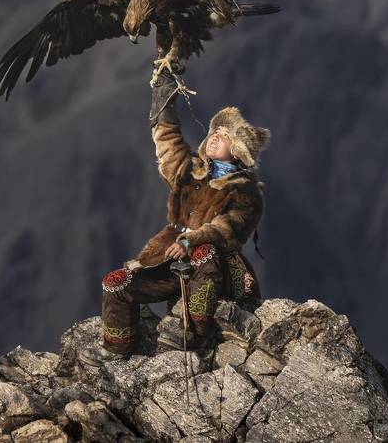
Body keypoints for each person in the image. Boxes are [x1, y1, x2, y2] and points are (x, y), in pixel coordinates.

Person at [80, 72, 271, 365]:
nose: (214, 137)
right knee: (116, 283)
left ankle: (195, 334)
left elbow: (228, 228)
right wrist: (163, 95)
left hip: (217, 268)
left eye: (224, 136)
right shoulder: (189, 170)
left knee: (205, 254)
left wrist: (190, 240)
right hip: (168, 255)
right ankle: (118, 349)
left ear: (238, 151)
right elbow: (168, 143)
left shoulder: (246, 192)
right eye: (215, 132)